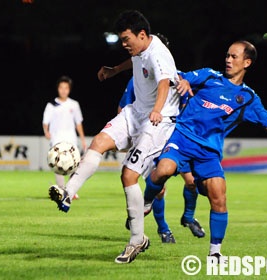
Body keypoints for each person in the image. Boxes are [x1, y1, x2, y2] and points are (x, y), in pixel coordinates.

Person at [143, 40, 267, 262]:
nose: (228, 59)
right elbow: (172, 74)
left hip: (208, 152)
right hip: (183, 137)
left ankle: (215, 252)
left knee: (219, 195)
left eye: (234, 57)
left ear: (247, 62)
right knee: (164, 170)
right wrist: (184, 80)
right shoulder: (209, 76)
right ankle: (147, 201)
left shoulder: (247, 98)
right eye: (227, 55)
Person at [48, 10, 184, 263]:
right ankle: (68, 193)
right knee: (98, 142)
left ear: (142, 35)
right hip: (137, 112)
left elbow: (164, 82)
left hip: (158, 121)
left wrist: (156, 109)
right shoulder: (140, 50)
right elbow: (134, 63)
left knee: (128, 175)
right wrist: (114, 70)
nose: (123, 44)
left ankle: (137, 240)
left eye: (125, 39)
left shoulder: (159, 53)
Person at [117, 33, 205, 244]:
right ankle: (163, 229)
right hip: (153, 135)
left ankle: (188, 217)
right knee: (159, 187)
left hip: (177, 137)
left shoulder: (179, 77)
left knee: (192, 182)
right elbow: (123, 106)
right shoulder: (139, 77)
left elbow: (195, 98)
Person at [43, 75, 87, 199]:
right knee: (58, 165)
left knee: (74, 165)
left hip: (71, 140)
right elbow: (45, 121)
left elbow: (78, 123)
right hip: (56, 140)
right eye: (61, 87)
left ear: (69, 89)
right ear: (58, 89)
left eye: (66, 88)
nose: (63, 90)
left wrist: (83, 139)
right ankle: (62, 190)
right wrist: (46, 131)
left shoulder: (74, 105)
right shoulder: (51, 105)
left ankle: (71, 190)